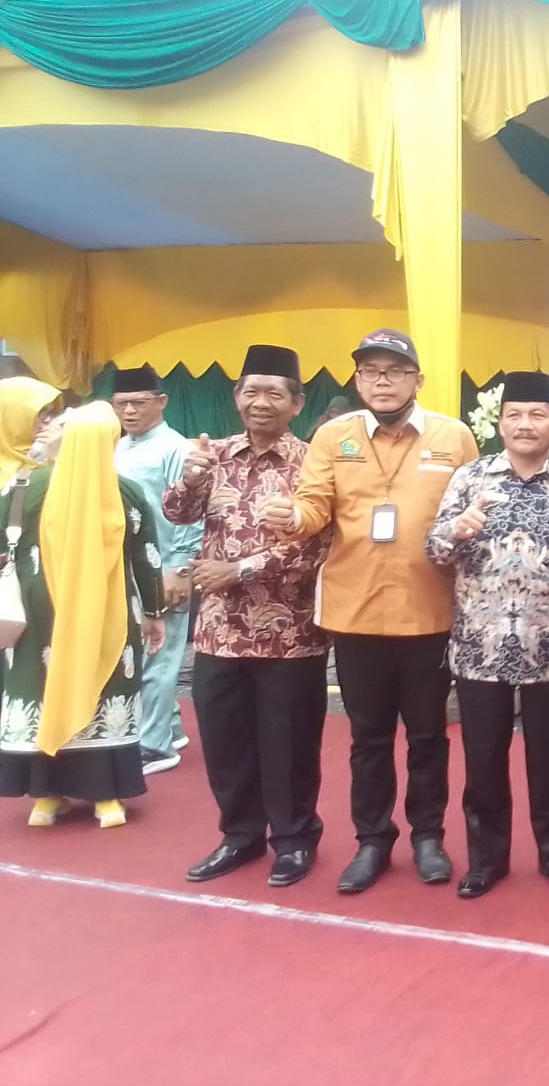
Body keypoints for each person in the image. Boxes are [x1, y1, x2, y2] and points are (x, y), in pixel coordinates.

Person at [262, 329, 479, 895]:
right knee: (369, 738)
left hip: (429, 611)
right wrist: (294, 517)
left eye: (395, 371)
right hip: (355, 610)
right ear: (358, 380)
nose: (382, 381)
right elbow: (314, 505)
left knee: (429, 734)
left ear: (417, 380)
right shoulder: (333, 436)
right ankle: (373, 840)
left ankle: (428, 837)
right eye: (370, 371)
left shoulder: (453, 437)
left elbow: (474, 507)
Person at [165, 346, 333, 889]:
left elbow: (318, 544)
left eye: (274, 394)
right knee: (225, 742)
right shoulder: (214, 454)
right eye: (251, 391)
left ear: (296, 404)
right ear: (237, 397)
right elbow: (176, 513)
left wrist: (238, 571)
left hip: (291, 633)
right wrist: (191, 480)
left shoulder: (313, 463)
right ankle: (240, 835)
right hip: (219, 632)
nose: (261, 402)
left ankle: (294, 839)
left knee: (289, 744)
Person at [428, 371, 549, 899]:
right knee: (482, 761)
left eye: (537, 415)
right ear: (499, 423)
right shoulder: (469, 479)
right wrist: (455, 531)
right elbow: (433, 551)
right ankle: (486, 859)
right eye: (515, 415)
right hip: (479, 649)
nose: (525, 425)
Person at [0, 402, 166, 829]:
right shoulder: (126, 492)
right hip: (108, 618)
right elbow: (147, 557)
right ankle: (105, 798)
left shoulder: (24, 487)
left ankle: (46, 797)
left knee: (43, 689)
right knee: (104, 685)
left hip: (39, 618)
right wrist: (154, 611)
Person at [110, 364, 202, 775]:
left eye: (138, 403)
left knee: (158, 657)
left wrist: (180, 569)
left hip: (164, 567)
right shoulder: (120, 447)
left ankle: (154, 746)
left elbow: (193, 514)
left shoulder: (175, 449)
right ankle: (170, 728)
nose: (129, 411)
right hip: (130, 570)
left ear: (161, 401)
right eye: (121, 404)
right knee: (145, 654)